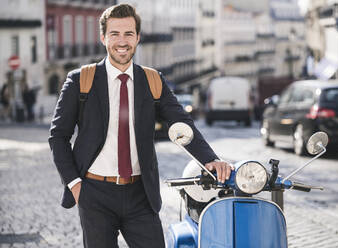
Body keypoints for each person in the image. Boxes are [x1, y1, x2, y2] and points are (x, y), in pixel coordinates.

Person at [48, 4, 232, 248]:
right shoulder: (81, 80)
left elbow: (181, 121)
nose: (122, 41)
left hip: (140, 194)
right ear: (103, 38)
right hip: (94, 193)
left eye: (128, 34)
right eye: (114, 34)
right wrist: (75, 184)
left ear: (138, 38)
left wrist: (210, 159)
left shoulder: (152, 80)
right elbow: (58, 136)